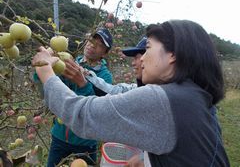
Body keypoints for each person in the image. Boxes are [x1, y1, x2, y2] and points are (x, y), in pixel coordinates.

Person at [32, 20, 230, 167]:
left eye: (148, 49)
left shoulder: (162, 99)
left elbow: (83, 114)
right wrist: (148, 160)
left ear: (173, 55)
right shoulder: (197, 98)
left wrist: (45, 72)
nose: (141, 60)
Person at [34, 28, 113, 167]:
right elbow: (51, 90)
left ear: (105, 53)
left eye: (99, 44)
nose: (92, 45)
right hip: (59, 137)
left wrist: (83, 84)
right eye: (91, 40)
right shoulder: (68, 62)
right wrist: (41, 67)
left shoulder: (105, 77)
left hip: (85, 143)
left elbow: (97, 111)